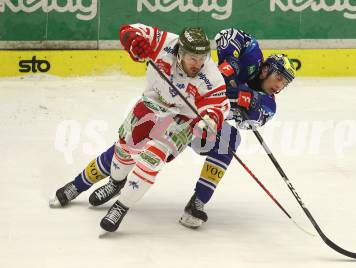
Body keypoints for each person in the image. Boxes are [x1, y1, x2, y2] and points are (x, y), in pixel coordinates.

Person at [50, 28, 296, 231]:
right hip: (169, 105)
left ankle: (197, 203)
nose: (280, 86)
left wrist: (239, 100)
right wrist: (231, 60)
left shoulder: (267, 105)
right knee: (129, 144)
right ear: (267, 69)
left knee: (229, 141)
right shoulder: (252, 57)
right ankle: (99, 183)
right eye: (280, 79)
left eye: (285, 84)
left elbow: (247, 122)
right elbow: (228, 34)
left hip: (199, 123)